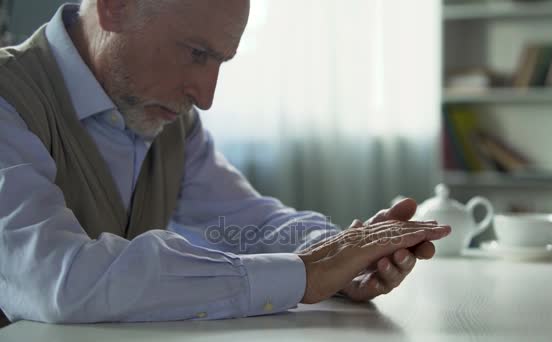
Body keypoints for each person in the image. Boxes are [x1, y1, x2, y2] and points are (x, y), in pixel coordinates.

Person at [0, 0, 450, 325]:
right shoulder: (8, 98)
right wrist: (304, 273)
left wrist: (344, 253)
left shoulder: (170, 118)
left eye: (220, 61)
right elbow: (55, 278)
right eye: (196, 53)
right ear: (114, 7)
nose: (206, 96)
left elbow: (249, 222)